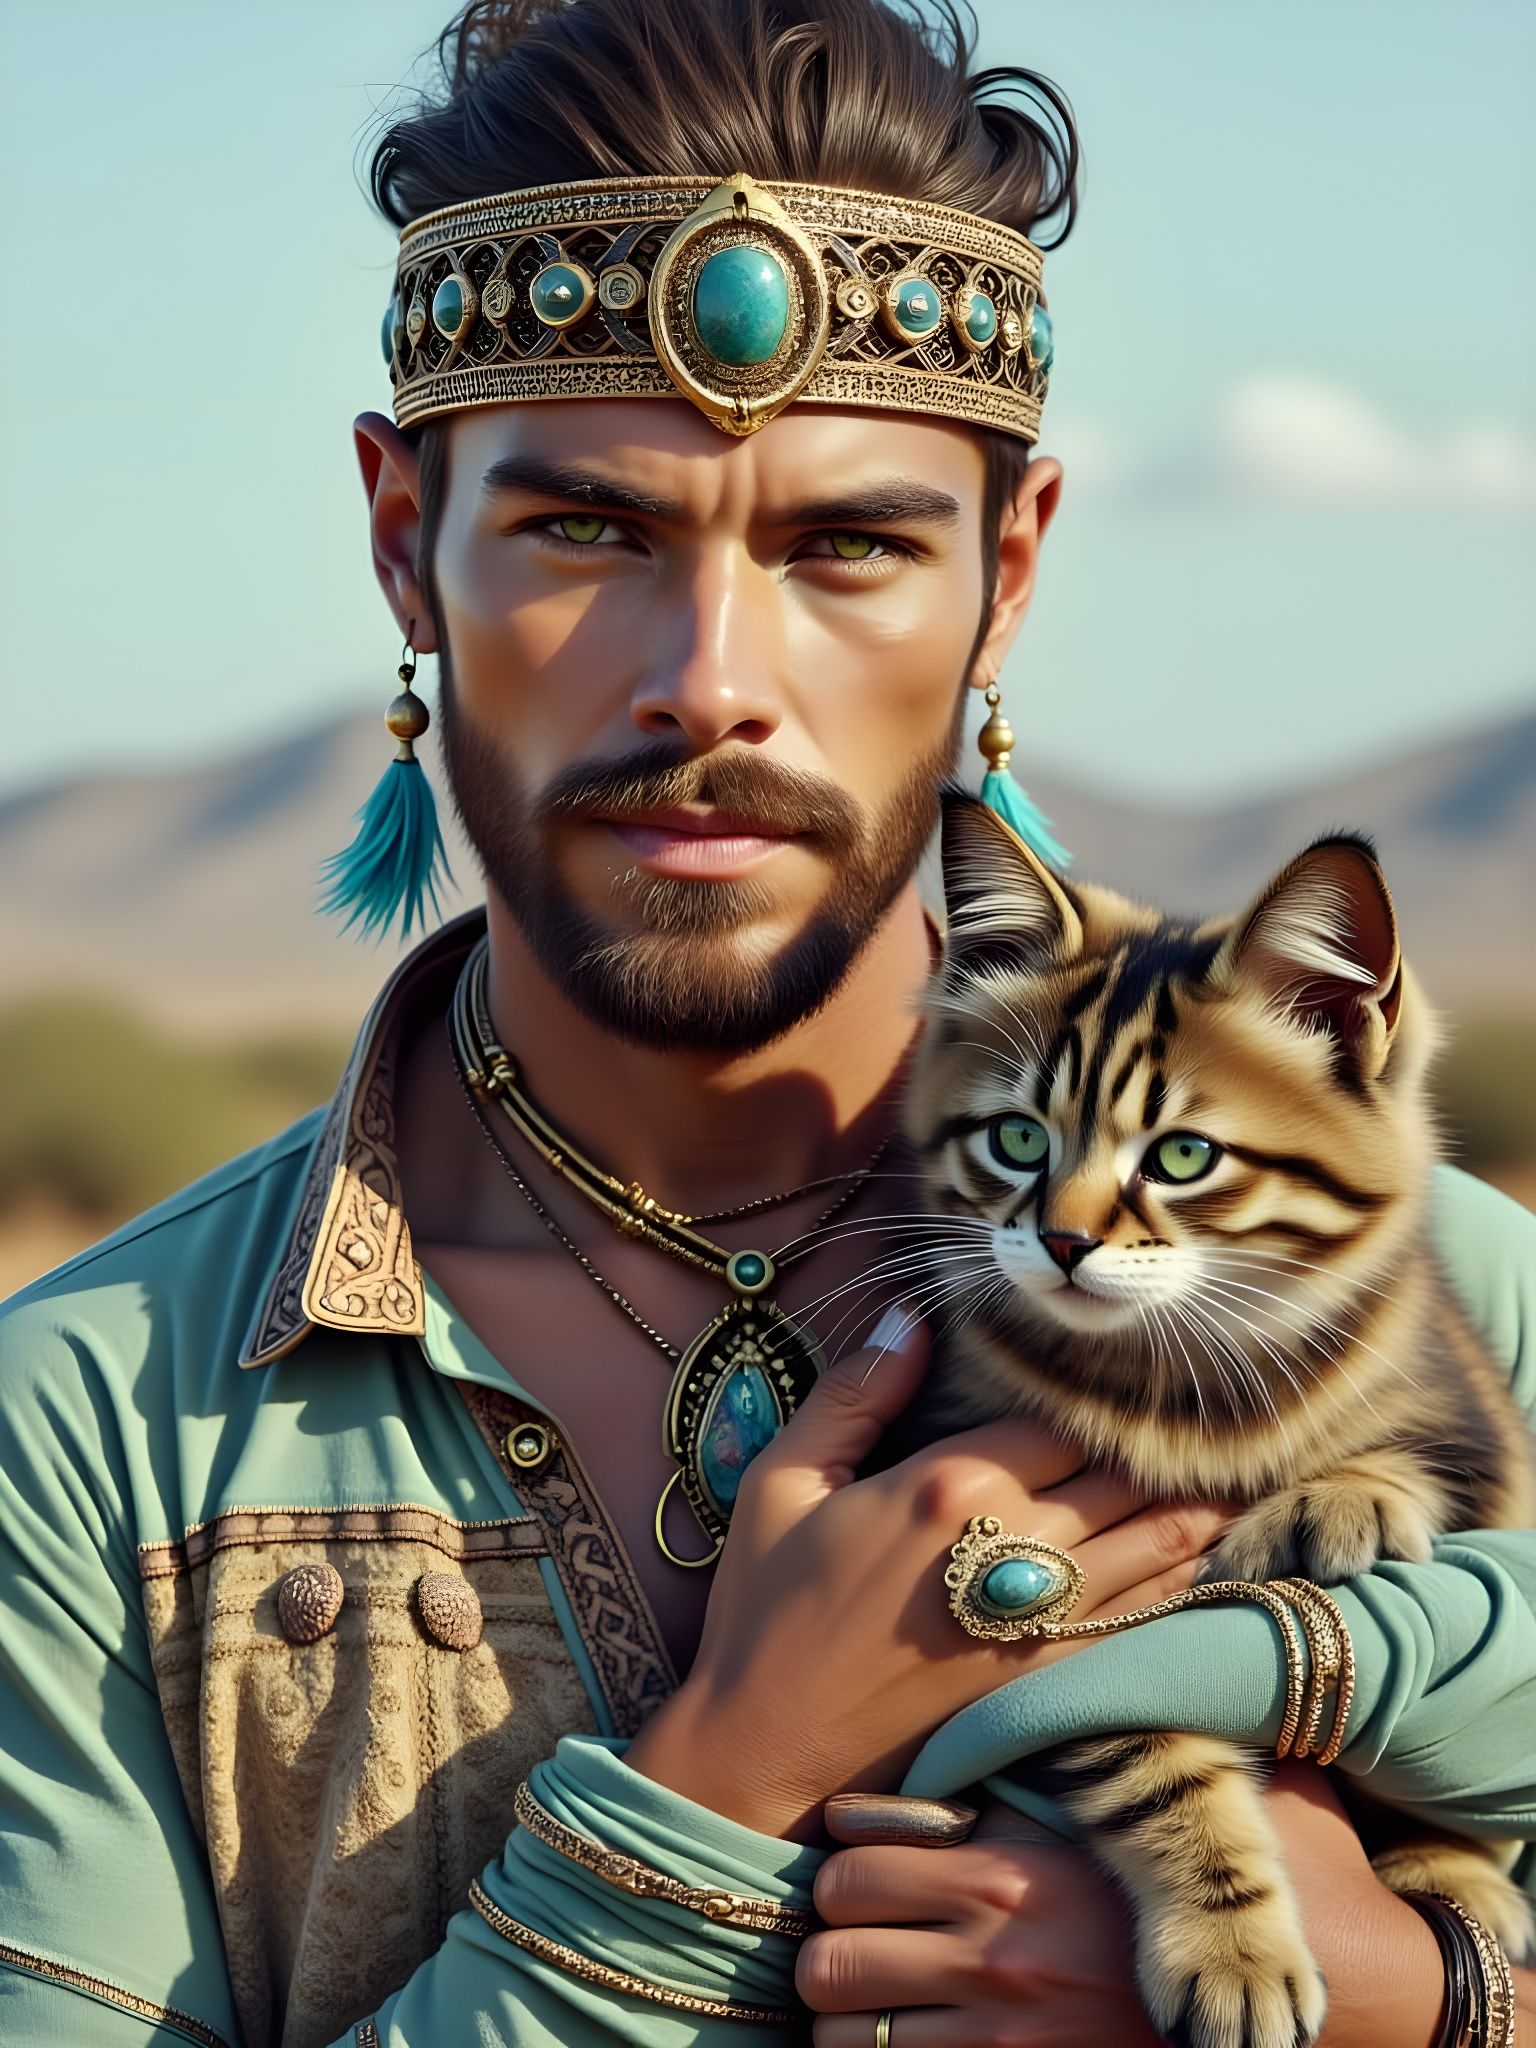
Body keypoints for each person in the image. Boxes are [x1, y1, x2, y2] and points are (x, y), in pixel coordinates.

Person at [1, 4, 1532, 2045]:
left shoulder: (1467, 1306)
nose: (711, 678)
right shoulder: (89, 1426)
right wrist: (717, 1794)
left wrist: (1428, 1995)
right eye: (587, 530)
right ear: (403, 548)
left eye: (849, 546)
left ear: (1006, 576)